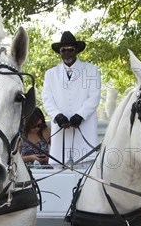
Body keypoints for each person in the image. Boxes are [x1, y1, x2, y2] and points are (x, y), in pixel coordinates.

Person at [42, 31, 101, 166]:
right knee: (59, 173)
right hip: (60, 134)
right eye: (63, 50)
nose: (67, 53)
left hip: (84, 132)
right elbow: (47, 98)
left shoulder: (91, 70)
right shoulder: (50, 74)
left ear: (76, 51)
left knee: (85, 175)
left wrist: (80, 115)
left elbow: (94, 96)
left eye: (70, 49)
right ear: (60, 52)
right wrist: (57, 116)